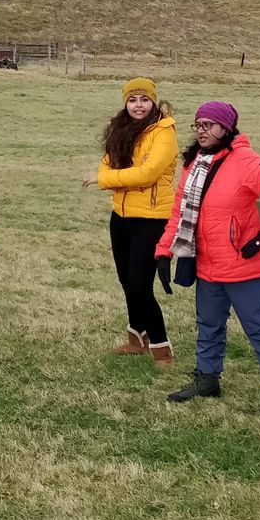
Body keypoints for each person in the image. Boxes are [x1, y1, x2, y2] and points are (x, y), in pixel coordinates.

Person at [153, 101, 260, 418]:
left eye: (209, 125)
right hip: (208, 265)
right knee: (209, 325)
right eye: (198, 125)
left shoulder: (246, 162)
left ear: (226, 128)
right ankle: (207, 379)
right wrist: (164, 249)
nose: (202, 131)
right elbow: (179, 212)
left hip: (246, 268)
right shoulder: (195, 164)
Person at [93, 77, 179, 367]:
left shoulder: (164, 132)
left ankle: (161, 347)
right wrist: (112, 177)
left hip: (152, 219)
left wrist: (105, 180)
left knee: (141, 285)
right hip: (121, 216)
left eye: (144, 99)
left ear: (153, 101)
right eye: (132, 100)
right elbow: (109, 163)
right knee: (126, 280)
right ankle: (136, 338)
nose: (138, 105)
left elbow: (147, 174)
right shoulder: (119, 129)